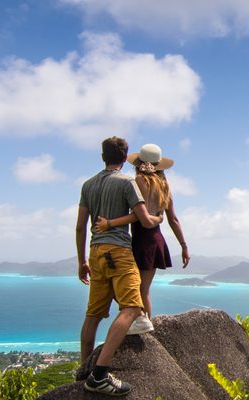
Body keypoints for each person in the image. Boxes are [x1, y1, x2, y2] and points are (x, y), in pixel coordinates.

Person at [74, 136, 163, 396]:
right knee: (133, 307)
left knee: (93, 315)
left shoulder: (88, 185)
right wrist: (158, 216)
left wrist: (81, 260)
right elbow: (145, 220)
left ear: (103, 157)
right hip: (118, 251)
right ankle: (100, 375)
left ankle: (84, 370)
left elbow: (80, 226)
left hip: (95, 251)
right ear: (125, 159)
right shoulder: (127, 182)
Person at [96, 143, 191, 333]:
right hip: (155, 239)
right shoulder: (165, 186)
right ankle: (143, 323)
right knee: (142, 289)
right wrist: (183, 245)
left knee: (135, 288)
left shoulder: (138, 181)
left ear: (138, 163)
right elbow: (172, 219)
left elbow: (140, 216)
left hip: (142, 240)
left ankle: (143, 325)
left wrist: (110, 223)